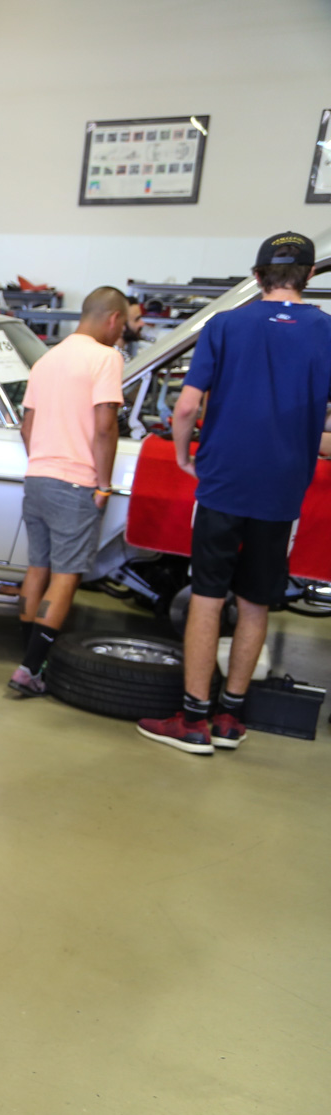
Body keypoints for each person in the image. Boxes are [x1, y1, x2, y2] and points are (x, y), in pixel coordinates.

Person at [139, 232, 331, 754]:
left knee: (207, 595)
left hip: (224, 481)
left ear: (257, 274)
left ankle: (193, 719)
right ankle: (231, 718)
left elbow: (186, 407)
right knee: (256, 600)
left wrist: (184, 455)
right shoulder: (326, 331)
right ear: (311, 276)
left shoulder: (225, 324)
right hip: (283, 489)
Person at [5, 285, 130, 697]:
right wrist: (104, 485)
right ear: (113, 318)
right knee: (65, 576)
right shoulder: (105, 358)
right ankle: (29, 670)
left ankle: (27, 659)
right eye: (123, 326)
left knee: (37, 568)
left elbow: (27, 427)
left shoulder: (47, 359)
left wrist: (44, 464)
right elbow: (105, 426)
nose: (122, 334)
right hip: (76, 483)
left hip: (37, 478)